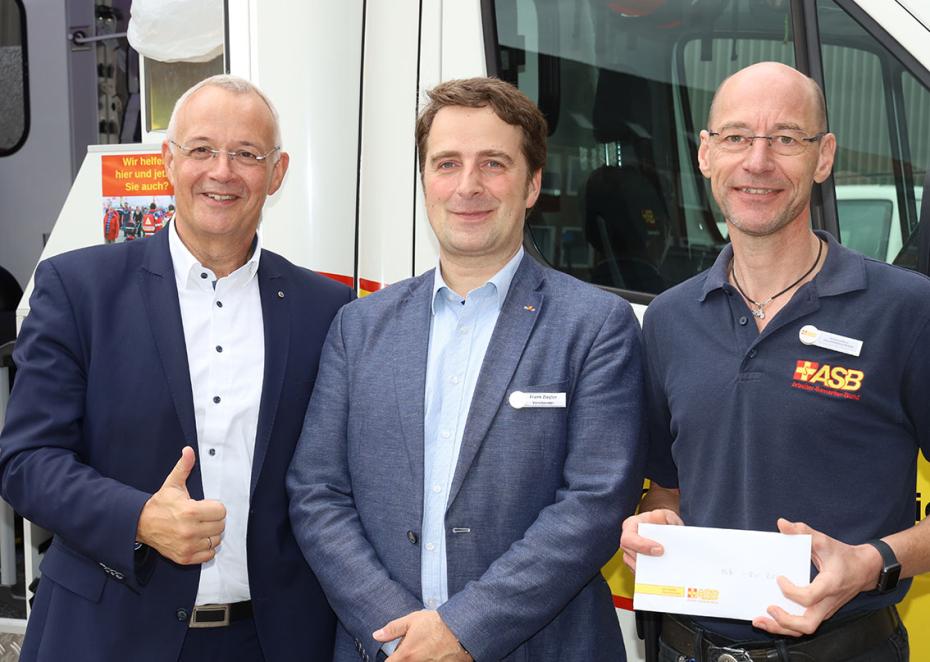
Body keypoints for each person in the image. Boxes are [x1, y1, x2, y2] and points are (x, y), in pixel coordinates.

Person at [287, 77, 646, 661]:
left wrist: (462, 629)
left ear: (532, 185)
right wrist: (397, 629)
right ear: (425, 180)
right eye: (446, 163)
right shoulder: (360, 327)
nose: (468, 186)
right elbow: (316, 493)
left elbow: (595, 503)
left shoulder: (596, 325)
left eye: (494, 164)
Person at [0, 74, 352, 662]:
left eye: (246, 154)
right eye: (202, 150)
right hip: (106, 635)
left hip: (271, 641)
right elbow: (26, 462)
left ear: (278, 173)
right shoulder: (78, 289)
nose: (222, 171)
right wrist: (137, 516)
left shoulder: (328, 310)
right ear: (168, 160)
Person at [620, 61, 930, 661]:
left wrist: (874, 562)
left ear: (824, 156)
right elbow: (668, 492)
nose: (757, 162)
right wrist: (650, 526)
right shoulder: (668, 319)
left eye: (786, 138)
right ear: (707, 154)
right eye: (736, 137)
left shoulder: (905, 311)